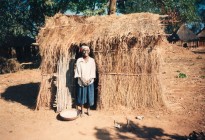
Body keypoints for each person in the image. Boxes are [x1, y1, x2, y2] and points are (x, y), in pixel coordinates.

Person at [74, 45, 96, 116]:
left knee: (89, 95)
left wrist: (90, 79)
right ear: (81, 51)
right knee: (81, 96)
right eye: (84, 50)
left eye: (87, 50)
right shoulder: (79, 60)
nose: (85, 52)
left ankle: (88, 110)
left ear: (89, 51)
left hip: (90, 81)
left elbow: (93, 71)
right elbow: (77, 71)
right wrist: (82, 79)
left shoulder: (92, 60)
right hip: (81, 81)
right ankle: (82, 111)